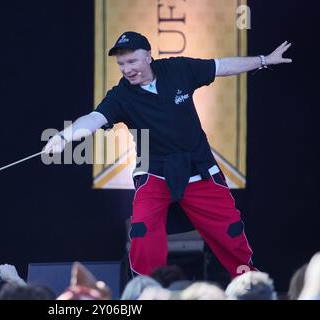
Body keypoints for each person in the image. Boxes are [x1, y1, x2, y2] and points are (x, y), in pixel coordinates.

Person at [44, 31, 292, 278]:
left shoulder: (178, 69)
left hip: (199, 168)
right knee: (141, 231)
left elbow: (222, 66)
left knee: (231, 233)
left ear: (148, 57)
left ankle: (249, 284)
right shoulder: (120, 96)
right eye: (121, 64)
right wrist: (64, 136)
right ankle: (146, 291)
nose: (126, 69)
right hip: (154, 172)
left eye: (132, 61)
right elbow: (94, 118)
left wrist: (264, 59)